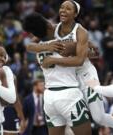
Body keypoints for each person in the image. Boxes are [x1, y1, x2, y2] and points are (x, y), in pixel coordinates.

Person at [23, 3, 113, 135]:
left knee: (98, 117)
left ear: (75, 14)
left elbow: (93, 53)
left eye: (68, 8)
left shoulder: (80, 31)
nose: (63, 10)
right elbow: (30, 47)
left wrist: (78, 50)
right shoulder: (52, 29)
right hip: (68, 80)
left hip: (86, 76)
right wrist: (47, 47)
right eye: (61, 7)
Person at [24, 1, 92, 135]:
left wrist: (48, 52)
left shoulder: (38, 46)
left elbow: (29, 46)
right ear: (47, 23)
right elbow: (80, 59)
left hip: (49, 97)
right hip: (69, 93)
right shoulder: (64, 43)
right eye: (62, 8)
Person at [0, 37, 26, 135]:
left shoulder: (6, 72)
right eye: (0, 55)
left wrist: (22, 117)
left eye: (4, 56)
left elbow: (14, 99)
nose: (3, 59)